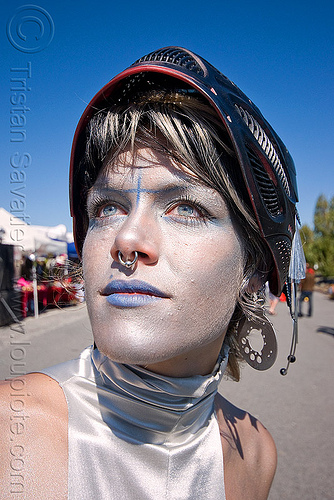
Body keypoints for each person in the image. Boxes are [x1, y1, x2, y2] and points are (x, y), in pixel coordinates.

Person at [0, 47, 301, 499]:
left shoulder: (254, 456)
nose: (126, 238)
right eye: (107, 207)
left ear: (256, 270)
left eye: (187, 208)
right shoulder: (9, 432)